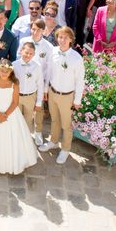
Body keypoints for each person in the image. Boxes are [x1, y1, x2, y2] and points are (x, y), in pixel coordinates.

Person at [39, 26, 85, 164]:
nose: (62, 40)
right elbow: (48, 72)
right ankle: (53, 141)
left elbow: (80, 81)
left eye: (65, 37)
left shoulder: (76, 58)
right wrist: (46, 90)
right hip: (53, 92)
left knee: (66, 125)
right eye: (60, 37)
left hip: (67, 96)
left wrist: (77, 100)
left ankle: (65, 149)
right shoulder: (53, 52)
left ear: (71, 39)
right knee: (54, 120)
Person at [0, 59, 38, 174]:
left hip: (11, 113)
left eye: (7, 71)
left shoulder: (15, 83)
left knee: (12, 138)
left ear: (11, 72)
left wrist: (5, 115)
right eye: (2, 70)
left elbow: (15, 102)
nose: (4, 73)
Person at [13, 42, 45, 145]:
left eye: (31, 54)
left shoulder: (37, 66)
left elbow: (40, 85)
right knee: (16, 118)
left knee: (28, 119)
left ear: (34, 54)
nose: (28, 55)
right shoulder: (14, 65)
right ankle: (16, 138)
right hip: (17, 96)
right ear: (21, 51)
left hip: (30, 97)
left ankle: (25, 140)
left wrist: (39, 102)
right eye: (26, 52)